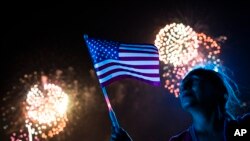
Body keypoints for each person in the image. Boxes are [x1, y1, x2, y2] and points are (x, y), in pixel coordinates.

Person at [110, 67, 250, 141]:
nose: (184, 87)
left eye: (194, 80)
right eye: (182, 85)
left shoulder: (243, 129)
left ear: (220, 91)